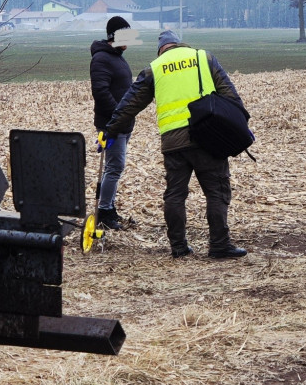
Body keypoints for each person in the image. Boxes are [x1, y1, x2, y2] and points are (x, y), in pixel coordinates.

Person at [103, 30, 248, 259]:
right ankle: (219, 245)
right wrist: (239, 126)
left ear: (161, 49)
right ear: (180, 44)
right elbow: (230, 96)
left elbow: (129, 104)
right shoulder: (204, 58)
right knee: (216, 192)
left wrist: (111, 130)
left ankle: (179, 247)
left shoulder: (155, 67)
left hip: (173, 142)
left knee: (175, 195)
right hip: (208, 138)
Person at [89, 16, 135, 230]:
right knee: (114, 166)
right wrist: (118, 115)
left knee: (114, 166)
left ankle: (108, 207)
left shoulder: (117, 56)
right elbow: (100, 91)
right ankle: (105, 211)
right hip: (112, 124)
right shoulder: (102, 58)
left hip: (122, 123)